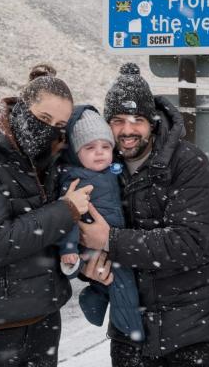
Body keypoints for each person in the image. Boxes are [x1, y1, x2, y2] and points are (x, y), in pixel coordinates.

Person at [77, 62, 209, 366]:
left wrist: (111, 240)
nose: (127, 130)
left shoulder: (188, 163)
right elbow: (82, 236)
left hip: (194, 332)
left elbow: (187, 243)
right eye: (118, 120)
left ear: (153, 122)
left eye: (137, 119)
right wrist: (87, 265)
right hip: (130, 331)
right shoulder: (101, 170)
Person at [0, 64, 95, 367]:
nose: (50, 129)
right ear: (21, 108)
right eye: (43, 118)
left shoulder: (47, 157)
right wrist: (66, 210)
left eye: (59, 124)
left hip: (44, 320)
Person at [55, 104, 144, 343]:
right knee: (122, 283)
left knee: (115, 281)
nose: (100, 153)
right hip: (95, 243)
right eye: (90, 147)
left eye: (106, 147)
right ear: (75, 152)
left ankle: (95, 297)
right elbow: (69, 218)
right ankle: (132, 332)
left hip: (115, 238)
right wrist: (69, 249)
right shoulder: (74, 180)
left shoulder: (112, 171)